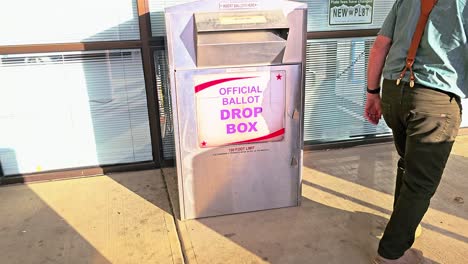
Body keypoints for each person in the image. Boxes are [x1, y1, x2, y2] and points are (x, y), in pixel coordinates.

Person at [364, 0, 467, 263]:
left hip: (393, 92)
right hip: (434, 100)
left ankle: (407, 226)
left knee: (408, 164)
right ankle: (392, 254)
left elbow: (380, 45)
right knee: (421, 182)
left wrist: (372, 93)